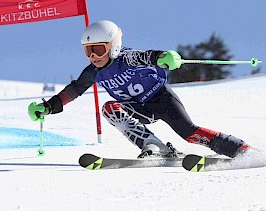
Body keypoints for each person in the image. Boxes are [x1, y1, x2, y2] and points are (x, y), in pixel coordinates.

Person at [28, 20, 250, 158]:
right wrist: (49, 107)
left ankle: (240, 150)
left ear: (113, 46)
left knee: (190, 134)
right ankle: (152, 145)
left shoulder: (127, 58)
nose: (93, 56)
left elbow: (149, 56)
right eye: (88, 51)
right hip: (137, 108)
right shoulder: (93, 71)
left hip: (161, 99)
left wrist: (164, 57)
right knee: (110, 108)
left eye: (98, 49)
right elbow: (75, 89)